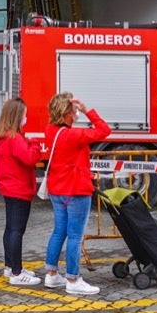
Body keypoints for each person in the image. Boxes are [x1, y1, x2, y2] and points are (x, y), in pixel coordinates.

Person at [42, 92, 111, 296]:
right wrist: (87, 110)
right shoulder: (73, 135)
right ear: (67, 113)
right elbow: (104, 130)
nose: (76, 113)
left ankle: (52, 274)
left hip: (57, 189)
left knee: (59, 231)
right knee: (75, 236)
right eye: (74, 111)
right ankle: (73, 278)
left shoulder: (50, 130)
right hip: (76, 190)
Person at [0, 98, 43, 286]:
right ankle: (17, 272)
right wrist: (35, 144)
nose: (26, 118)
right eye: (24, 114)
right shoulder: (16, 139)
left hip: (10, 187)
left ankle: (10, 266)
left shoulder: (3, 137)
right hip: (19, 188)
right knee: (16, 230)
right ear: (17, 116)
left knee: (10, 228)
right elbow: (30, 158)